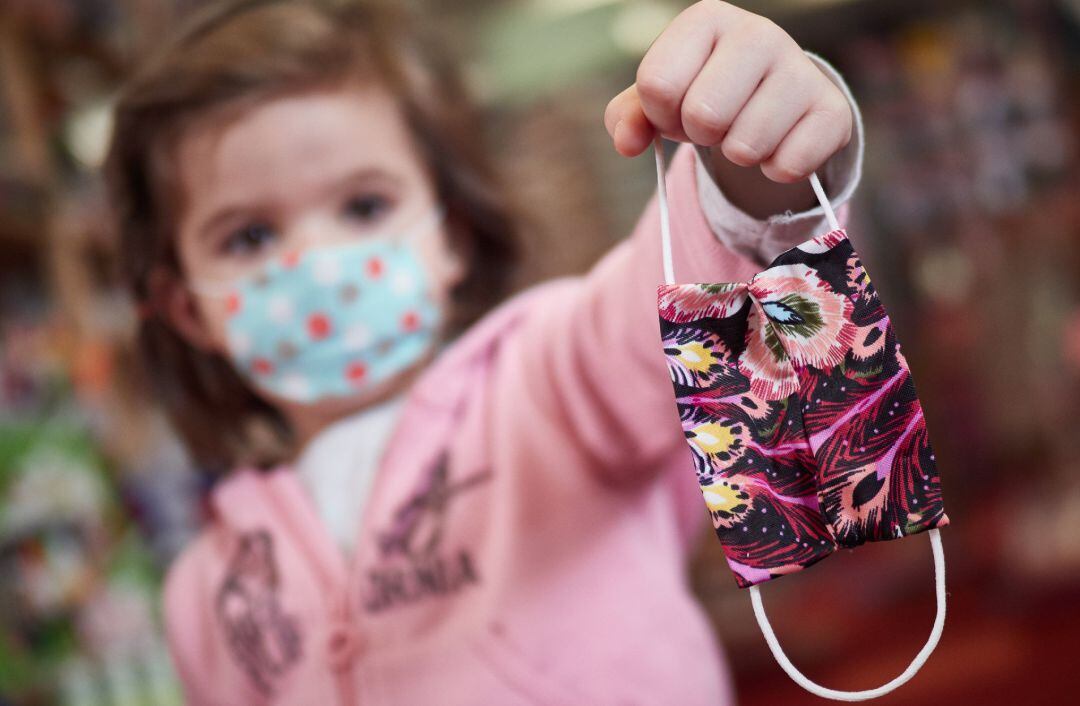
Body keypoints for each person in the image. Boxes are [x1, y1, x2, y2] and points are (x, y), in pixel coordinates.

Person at [102, 0, 863, 703]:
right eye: (249, 237)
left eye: (365, 206)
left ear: (452, 237)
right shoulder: (206, 596)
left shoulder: (549, 386)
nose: (314, 262)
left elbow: (677, 307)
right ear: (185, 308)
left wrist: (756, 176)